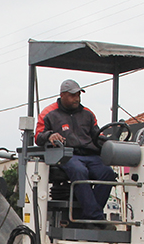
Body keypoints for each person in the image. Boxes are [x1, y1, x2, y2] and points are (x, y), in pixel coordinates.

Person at [34, 78, 117, 221]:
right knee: (79, 171)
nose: (76, 98)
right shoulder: (49, 113)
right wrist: (50, 136)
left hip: (90, 155)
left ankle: (89, 215)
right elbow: (38, 137)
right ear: (62, 95)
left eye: (78, 95)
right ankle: (95, 217)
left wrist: (107, 142)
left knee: (108, 173)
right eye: (73, 95)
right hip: (66, 155)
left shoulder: (87, 114)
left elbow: (96, 135)